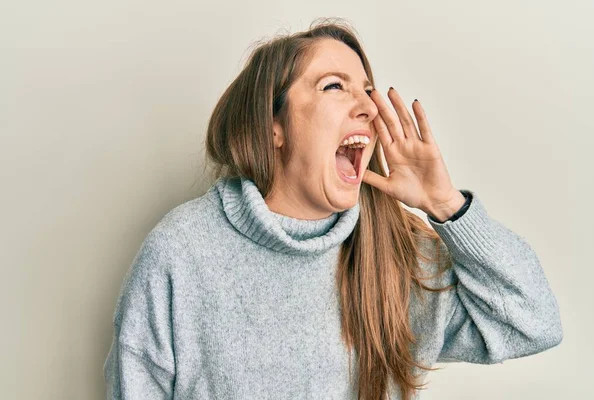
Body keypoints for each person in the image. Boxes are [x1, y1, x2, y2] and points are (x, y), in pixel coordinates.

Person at [103, 18, 563, 400]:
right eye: (334, 86)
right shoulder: (182, 252)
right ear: (273, 124)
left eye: (367, 90)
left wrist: (446, 205)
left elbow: (533, 323)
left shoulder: (393, 254)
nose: (368, 107)